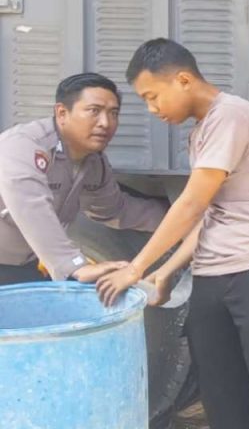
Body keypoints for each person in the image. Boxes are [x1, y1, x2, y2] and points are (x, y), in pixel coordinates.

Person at [96, 39, 249, 429]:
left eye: (153, 97)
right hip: (213, 279)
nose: (152, 110)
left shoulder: (231, 116)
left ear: (183, 79)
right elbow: (211, 214)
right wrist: (167, 272)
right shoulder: (202, 131)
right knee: (221, 399)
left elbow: (191, 204)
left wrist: (136, 268)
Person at [0, 73, 167, 286]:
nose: (105, 123)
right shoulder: (23, 146)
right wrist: (76, 265)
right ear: (62, 113)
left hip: (20, 265)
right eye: (94, 111)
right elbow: (31, 208)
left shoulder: (93, 162)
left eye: (113, 113)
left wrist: (182, 218)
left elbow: (114, 209)